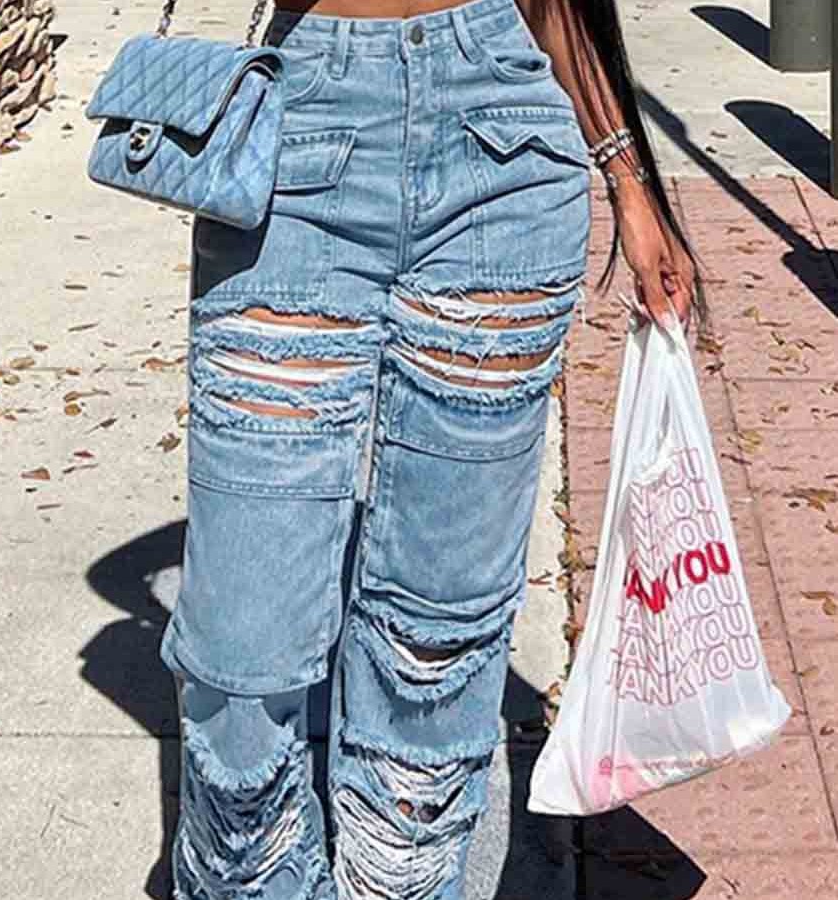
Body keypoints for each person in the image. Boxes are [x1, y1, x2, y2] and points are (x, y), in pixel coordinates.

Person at [158, 0, 700, 898]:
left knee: (437, 643)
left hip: (504, 150)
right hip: (300, 142)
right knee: (239, 649)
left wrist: (631, 186)